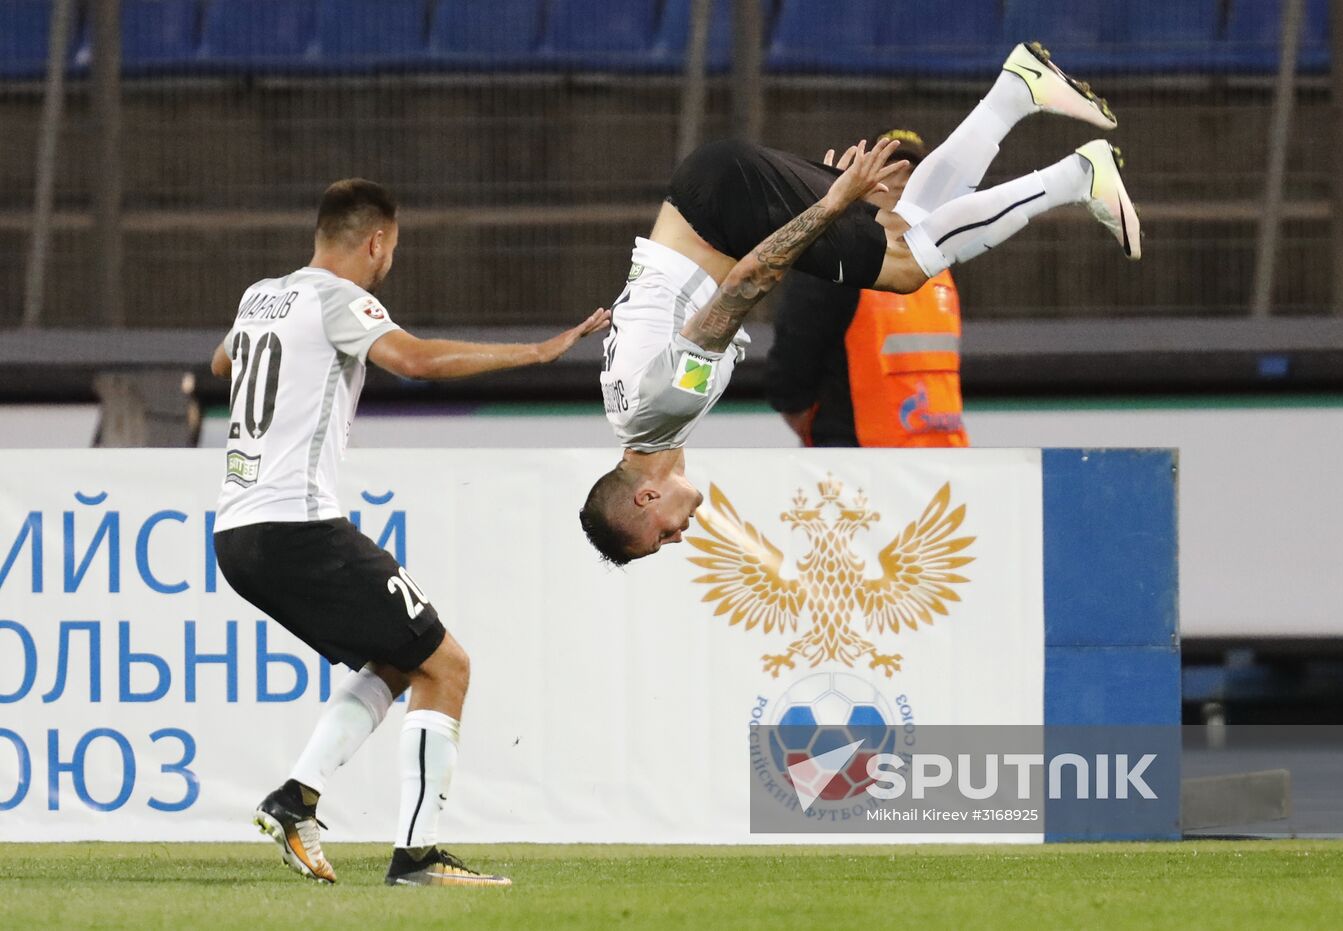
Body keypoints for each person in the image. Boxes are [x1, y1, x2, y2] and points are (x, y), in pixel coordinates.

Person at [579, 41, 1139, 565]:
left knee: (903, 268)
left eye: (663, 536)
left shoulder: (667, 409)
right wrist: (831, 203)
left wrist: (831, 203)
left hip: (725, 206)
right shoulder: (633, 416)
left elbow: (745, 284)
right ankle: (1016, 89)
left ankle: (1079, 175)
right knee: (906, 226)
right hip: (716, 199)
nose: (680, 535)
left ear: (647, 497)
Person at [210, 178, 608, 887]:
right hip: (296, 524)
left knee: (401, 660)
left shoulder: (257, 296)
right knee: (448, 666)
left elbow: (224, 362)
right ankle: (417, 857)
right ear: (376, 241)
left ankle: (295, 797)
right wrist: (537, 353)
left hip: (237, 532)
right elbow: (417, 360)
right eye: (392, 247)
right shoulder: (341, 299)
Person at [767, 130, 969, 449]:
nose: (903, 180)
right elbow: (794, 355)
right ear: (862, 182)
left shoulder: (940, 260)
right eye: (890, 168)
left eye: (913, 170)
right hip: (862, 459)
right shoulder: (835, 260)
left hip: (941, 453)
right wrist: (828, 428)